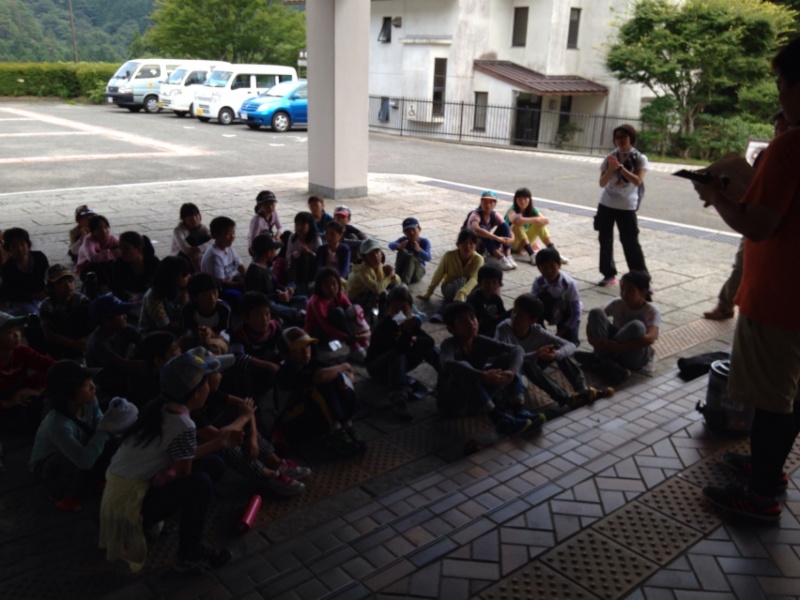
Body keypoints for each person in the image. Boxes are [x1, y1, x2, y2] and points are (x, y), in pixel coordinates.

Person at [697, 39, 800, 522]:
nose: (779, 94)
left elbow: (757, 225)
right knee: (793, 395)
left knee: (772, 401)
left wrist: (715, 193)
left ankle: (760, 496)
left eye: (782, 83)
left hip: (779, 298)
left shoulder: (789, 148)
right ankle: (768, 470)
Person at [98, 349, 241, 573]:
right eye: (206, 382)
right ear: (195, 393)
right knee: (200, 484)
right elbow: (184, 474)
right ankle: (188, 555)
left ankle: (157, 522)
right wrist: (221, 441)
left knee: (214, 464)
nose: (210, 386)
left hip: (120, 493)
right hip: (129, 503)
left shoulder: (160, 406)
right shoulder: (183, 424)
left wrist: (219, 443)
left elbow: (182, 457)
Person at [702, 110, 791, 321]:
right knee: (742, 264)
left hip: (767, 224)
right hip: (754, 212)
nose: (779, 134)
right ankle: (726, 303)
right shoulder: (768, 155)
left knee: (744, 265)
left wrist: (715, 195)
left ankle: (726, 304)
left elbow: (756, 227)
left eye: (784, 129)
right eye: (777, 129)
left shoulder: (786, 155)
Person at [191, 347, 309, 497]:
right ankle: (267, 475)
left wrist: (252, 435)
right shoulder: (192, 408)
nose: (221, 375)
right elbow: (220, 437)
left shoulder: (210, 393)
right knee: (227, 442)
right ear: (203, 379)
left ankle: (276, 463)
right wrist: (244, 418)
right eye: (217, 372)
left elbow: (245, 404)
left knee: (239, 418)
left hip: (213, 439)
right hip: (193, 457)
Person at [29, 361, 132, 511]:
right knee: (66, 462)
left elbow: (99, 425)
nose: (93, 387)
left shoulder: (89, 402)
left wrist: (112, 424)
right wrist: (106, 429)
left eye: (91, 381)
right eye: (85, 385)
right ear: (67, 394)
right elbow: (84, 461)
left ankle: (96, 477)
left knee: (113, 441)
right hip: (50, 465)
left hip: (80, 451)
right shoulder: (58, 424)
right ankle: (58, 494)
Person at [437, 302, 542, 436]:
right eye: (462, 320)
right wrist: (482, 375)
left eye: (472, 317)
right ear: (451, 329)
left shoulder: (480, 341)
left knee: (507, 359)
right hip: (456, 405)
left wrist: (512, 372)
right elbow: (447, 364)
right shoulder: (448, 345)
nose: (471, 323)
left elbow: (518, 349)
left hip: (479, 399)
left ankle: (519, 409)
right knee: (463, 368)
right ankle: (499, 420)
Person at [496, 294, 607, 409]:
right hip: (513, 370)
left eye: (520, 315)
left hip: (533, 364)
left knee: (557, 348)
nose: (514, 316)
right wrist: (536, 354)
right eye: (514, 311)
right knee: (526, 363)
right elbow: (506, 357)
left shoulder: (536, 330)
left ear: (532, 320)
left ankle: (582, 388)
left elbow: (571, 345)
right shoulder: (503, 329)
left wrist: (556, 354)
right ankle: (565, 399)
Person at [275, 327, 364, 455]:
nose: (306, 351)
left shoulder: (312, 363)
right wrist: (345, 366)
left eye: (307, 346)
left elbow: (346, 373)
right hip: (293, 421)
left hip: (311, 413)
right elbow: (319, 377)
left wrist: (347, 376)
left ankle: (346, 424)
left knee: (336, 378)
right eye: (299, 349)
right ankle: (335, 430)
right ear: (285, 354)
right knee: (320, 385)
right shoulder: (285, 373)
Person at [366, 286, 439, 420]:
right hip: (379, 368)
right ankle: (399, 398)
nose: (400, 312)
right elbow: (399, 349)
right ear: (388, 309)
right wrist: (407, 332)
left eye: (404, 308)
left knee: (428, 348)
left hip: (399, 364)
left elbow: (430, 341)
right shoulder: (383, 327)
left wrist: (414, 338)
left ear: (411, 309)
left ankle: (448, 377)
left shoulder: (411, 323)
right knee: (397, 355)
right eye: (395, 308)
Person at [595, 124, 649, 287]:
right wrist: (611, 169)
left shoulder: (640, 158)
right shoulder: (610, 157)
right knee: (605, 240)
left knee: (630, 242)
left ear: (631, 138)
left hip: (627, 206)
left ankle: (641, 278)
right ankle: (608, 274)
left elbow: (637, 180)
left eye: (623, 136)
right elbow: (602, 183)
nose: (620, 140)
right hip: (606, 203)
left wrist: (620, 168)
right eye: (617, 137)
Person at [583, 271, 660, 384]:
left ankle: (601, 359)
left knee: (637, 326)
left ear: (643, 291)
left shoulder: (651, 311)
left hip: (632, 354)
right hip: (612, 348)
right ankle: (606, 361)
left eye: (630, 290)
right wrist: (592, 340)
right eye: (622, 289)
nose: (624, 293)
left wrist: (619, 348)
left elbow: (651, 338)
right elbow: (595, 320)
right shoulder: (617, 303)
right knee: (596, 312)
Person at [0, 313, 54, 437]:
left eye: (17, 330)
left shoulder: (22, 351)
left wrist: (38, 389)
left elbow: (54, 366)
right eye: (9, 332)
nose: (17, 335)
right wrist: (7, 403)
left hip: (22, 396)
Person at [417, 228, 484, 324]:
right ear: (458, 244)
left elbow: (475, 278)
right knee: (462, 280)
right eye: (464, 243)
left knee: (478, 289)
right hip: (449, 288)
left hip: (467, 291)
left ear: (476, 245)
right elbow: (438, 274)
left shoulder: (478, 259)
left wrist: (462, 293)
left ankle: (445, 312)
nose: (468, 246)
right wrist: (429, 292)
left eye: (471, 243)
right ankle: (454, 312)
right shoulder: (449, 256)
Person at [305, 267, 370, 364]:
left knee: (354, 309)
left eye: (334, 284)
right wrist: (348, 337)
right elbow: (326, 327)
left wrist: (364, 332)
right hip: (317, 335)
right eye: (326, 285)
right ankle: (354, 347)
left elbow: (352, 312)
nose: (331, 288)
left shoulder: (339, 295)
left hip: (335, 333)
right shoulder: (316, 302)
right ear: (320, 286)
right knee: (338, 312)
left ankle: (363, 343)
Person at [87, 294, 145, 400]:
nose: (126, 316)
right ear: (106, 321)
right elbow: (122, 363)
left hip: (122, 373)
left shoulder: (125, 330)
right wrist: (152, 363)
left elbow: (145, 343)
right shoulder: (98, 343)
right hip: (109, 384)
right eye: (121, 314)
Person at [228, 292, 282, 402]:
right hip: (251, 370)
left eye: (267, 314)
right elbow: (237, 356)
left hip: (269, 364)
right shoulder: (238, 333)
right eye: (258, 315)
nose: (265, 319)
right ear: (245, 318)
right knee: (238, 370)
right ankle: (250, 404)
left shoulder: (275, 328)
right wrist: (269, 366)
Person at [244, 234, 306, 326]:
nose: (275, 253)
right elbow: (257, 298)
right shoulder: (254, 272)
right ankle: (294, 314)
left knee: (303, 299)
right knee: (272, 306)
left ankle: (287, 316)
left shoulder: (265, 266)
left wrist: (285, 289)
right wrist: (277, 297)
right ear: (269, 253)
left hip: (274, 299)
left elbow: (274, 285)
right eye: (274, 250)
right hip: (263, 304)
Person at [40, 264, 92, 360]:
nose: (68, 286)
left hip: (83, 342)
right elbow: (48, 334)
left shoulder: (82, 300)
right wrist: (73, 344)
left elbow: (95, 326)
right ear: (51, 287)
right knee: (59, 315)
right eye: (61, 283)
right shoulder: (48, 305)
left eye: (70, 281)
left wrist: (84, 341)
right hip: (61, 346)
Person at [531, 247, 582, 345]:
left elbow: (575, 313)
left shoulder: (569, 284)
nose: (549, 271)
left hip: (567, 314)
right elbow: (532, 305)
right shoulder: (539, 282)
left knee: (569, 343)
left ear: (559, 265)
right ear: (539, 268)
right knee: (534, 303)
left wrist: (559, 335)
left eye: (552, 266)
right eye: (544, 267)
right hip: (550, 311)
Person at [504, 187, 569, 265]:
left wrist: (535, 220)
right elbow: (517, 221)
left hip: (525, 242)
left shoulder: (532, 210)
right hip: (512, 243)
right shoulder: (512, 210)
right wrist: (536, 219)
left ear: (530, 199)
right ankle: (532, 254)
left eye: (525, 199)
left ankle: (554, 253)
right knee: (518, 225)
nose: (523, 201)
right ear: (515, 200)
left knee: (539, 225)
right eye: (520, 199)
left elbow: (545, 221)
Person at [346, 238, 401, 317]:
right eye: (371, 255)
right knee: (381, 293)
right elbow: (377, 289)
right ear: (365, 258)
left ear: (381, 253)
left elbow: (398, 282)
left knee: (397, 288)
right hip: (354, 302)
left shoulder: (379, 266)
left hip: (367, 296)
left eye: (377, 252)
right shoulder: (362, 270)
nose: (376, 256)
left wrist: (392, 275)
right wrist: (389, 277)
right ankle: (374, 318)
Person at [1, 227, 49, 316]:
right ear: (8, 249)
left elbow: (49, 277)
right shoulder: (7, 268)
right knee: (32, 314)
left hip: (43, 298)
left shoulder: (39, 257)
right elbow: (10, 295)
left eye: (22, 244)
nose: (19, 249)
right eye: (14, 246)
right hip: (22, 302)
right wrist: (33, 296)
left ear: (28, 245)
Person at [181, 273, 231, 355]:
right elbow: (189, 330)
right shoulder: (188, 309)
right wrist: (200, 332)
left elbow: (224, 333)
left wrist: (210, 333)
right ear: (195, 297)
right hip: (195, 338)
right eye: (205, 295)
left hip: (217, 338)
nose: (212, 298)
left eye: (214, 292)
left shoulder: (224, 309)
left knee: (215, 347)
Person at [465, 190, 516, 270]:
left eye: (491, 202)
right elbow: (477, 229)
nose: (488, 205)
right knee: (483, 230)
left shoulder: (495, 214)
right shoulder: (475, 214)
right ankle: (500, 257)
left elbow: (507, 228)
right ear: (481, 203)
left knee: (504, 226)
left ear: (495, 204)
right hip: (474, 244)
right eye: (485, 202)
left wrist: (512, 239)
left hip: (486, 244)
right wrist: (497, 238)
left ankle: (508, 256)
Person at [139, 256, 191, 335]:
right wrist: (190, 322)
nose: (189, 277)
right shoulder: (153, 296)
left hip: (175, 329)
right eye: (185, 275)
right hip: (153, 334)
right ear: (174, 277)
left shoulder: (180, 288)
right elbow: (165, 324)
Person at [201, 216, 246, 306]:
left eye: (233, 233)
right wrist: (242, 284)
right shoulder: (214, 256)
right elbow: (221, 283)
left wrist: (248, 278)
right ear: (216, 235)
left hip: (233, 280)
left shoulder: (229, 247)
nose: (232, 237)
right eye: (228, 233)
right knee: (239, 296)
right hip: (219, 289)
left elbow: (240, 266)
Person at [111, 231, 160, 306]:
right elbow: (116, 288)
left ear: (138, 249)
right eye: (120, 248)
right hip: (128, 297)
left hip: (149, 297)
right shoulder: (120, 263)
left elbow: (160, 285)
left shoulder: (153, 262)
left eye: (126, 248)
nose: (122, 252)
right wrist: (129, 298)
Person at [75, 214, 120, 288]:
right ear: (92, 232)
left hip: (105, 270)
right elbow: (92, 258)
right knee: (102, 264)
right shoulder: (88, 241)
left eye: (105, 227)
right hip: (87, 271)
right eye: (98, 230)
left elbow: (122, 248)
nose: (104, 232)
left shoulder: (111, 238)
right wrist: (111, 253)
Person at [466, 264, 509, 338]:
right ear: (480, 282)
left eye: (494, 282)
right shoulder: (474, 299)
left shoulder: (496, 298)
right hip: (478, 331)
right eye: (486, 282)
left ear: (499, 284)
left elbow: (503, 314)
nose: (490, 286)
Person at [285, 211, 321, 295]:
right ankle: (292, 284)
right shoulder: (292, 238)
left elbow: (320, 257)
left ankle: (304, 285)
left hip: (311, 270)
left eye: (302, 225)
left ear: (310, 225)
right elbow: (287, 256)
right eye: (297, 225)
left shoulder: (316, 239)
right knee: (296, 257)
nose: (299, 228)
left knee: (305, 256)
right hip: (296, 269)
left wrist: (310, 252)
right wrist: (294, 255)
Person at [388, 217, 432, 286]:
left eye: (413, 230)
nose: (411, 233)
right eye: (408, 231)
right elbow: (390, 245)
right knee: (402, 251)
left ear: (419, 229)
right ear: (404, 233)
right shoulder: (404, 240)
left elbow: (428, 257)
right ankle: (397, 278)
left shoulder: (424, 242)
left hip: (417, 272)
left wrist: (419, 250)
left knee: (411, 257)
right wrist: (398, 246)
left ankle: (404, 284)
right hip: (403, 271)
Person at [171, 203, 213, 273]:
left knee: (207, 238)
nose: (194, 218)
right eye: (190, 216)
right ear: (183, 218)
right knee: (192, 240)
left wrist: (200, 248)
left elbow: (214, 240)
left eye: (196, 215)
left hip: (197, 255)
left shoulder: (201, 227)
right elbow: (187, 250)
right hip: (180, 259)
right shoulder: (178, 230)